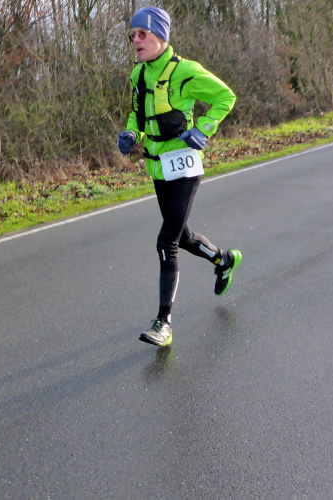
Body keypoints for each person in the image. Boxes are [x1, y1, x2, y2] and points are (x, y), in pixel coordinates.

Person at [117, 6, 241, 347]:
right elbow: (136, 114)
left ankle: (164, 323)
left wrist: (204, 129)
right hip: (158, 167)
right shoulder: (138, 75)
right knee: (182, 237)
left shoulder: (185, 71)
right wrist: (131, 134)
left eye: (142, 34)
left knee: (166, 242)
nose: (135, 40)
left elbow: (225, 97)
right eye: (132, 35)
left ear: (160, 35)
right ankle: (224, 260)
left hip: (184, 167)